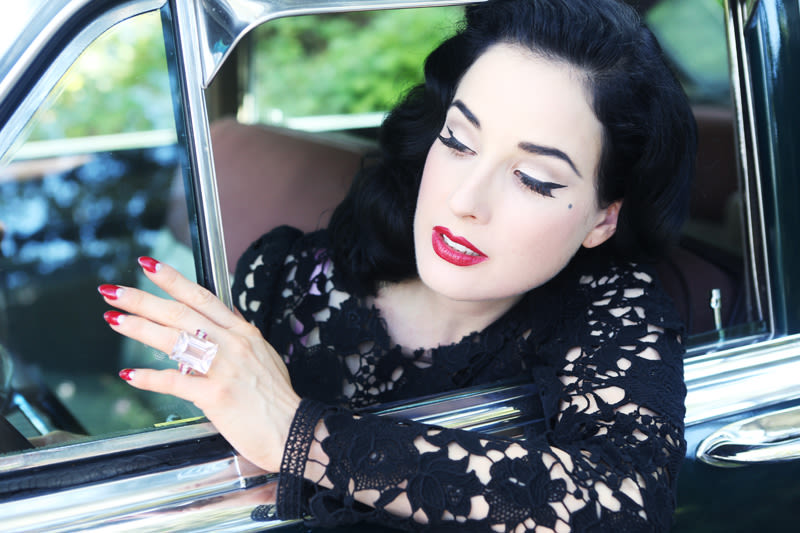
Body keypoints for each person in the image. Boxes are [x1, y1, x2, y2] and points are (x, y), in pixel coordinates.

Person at [98, 0, 696, 530]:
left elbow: (624, 505)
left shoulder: (613, 308)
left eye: (534, 179)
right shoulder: (287, 276)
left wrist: (299, 433)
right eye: (458, 140)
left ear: (603, 218)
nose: (465, 201)